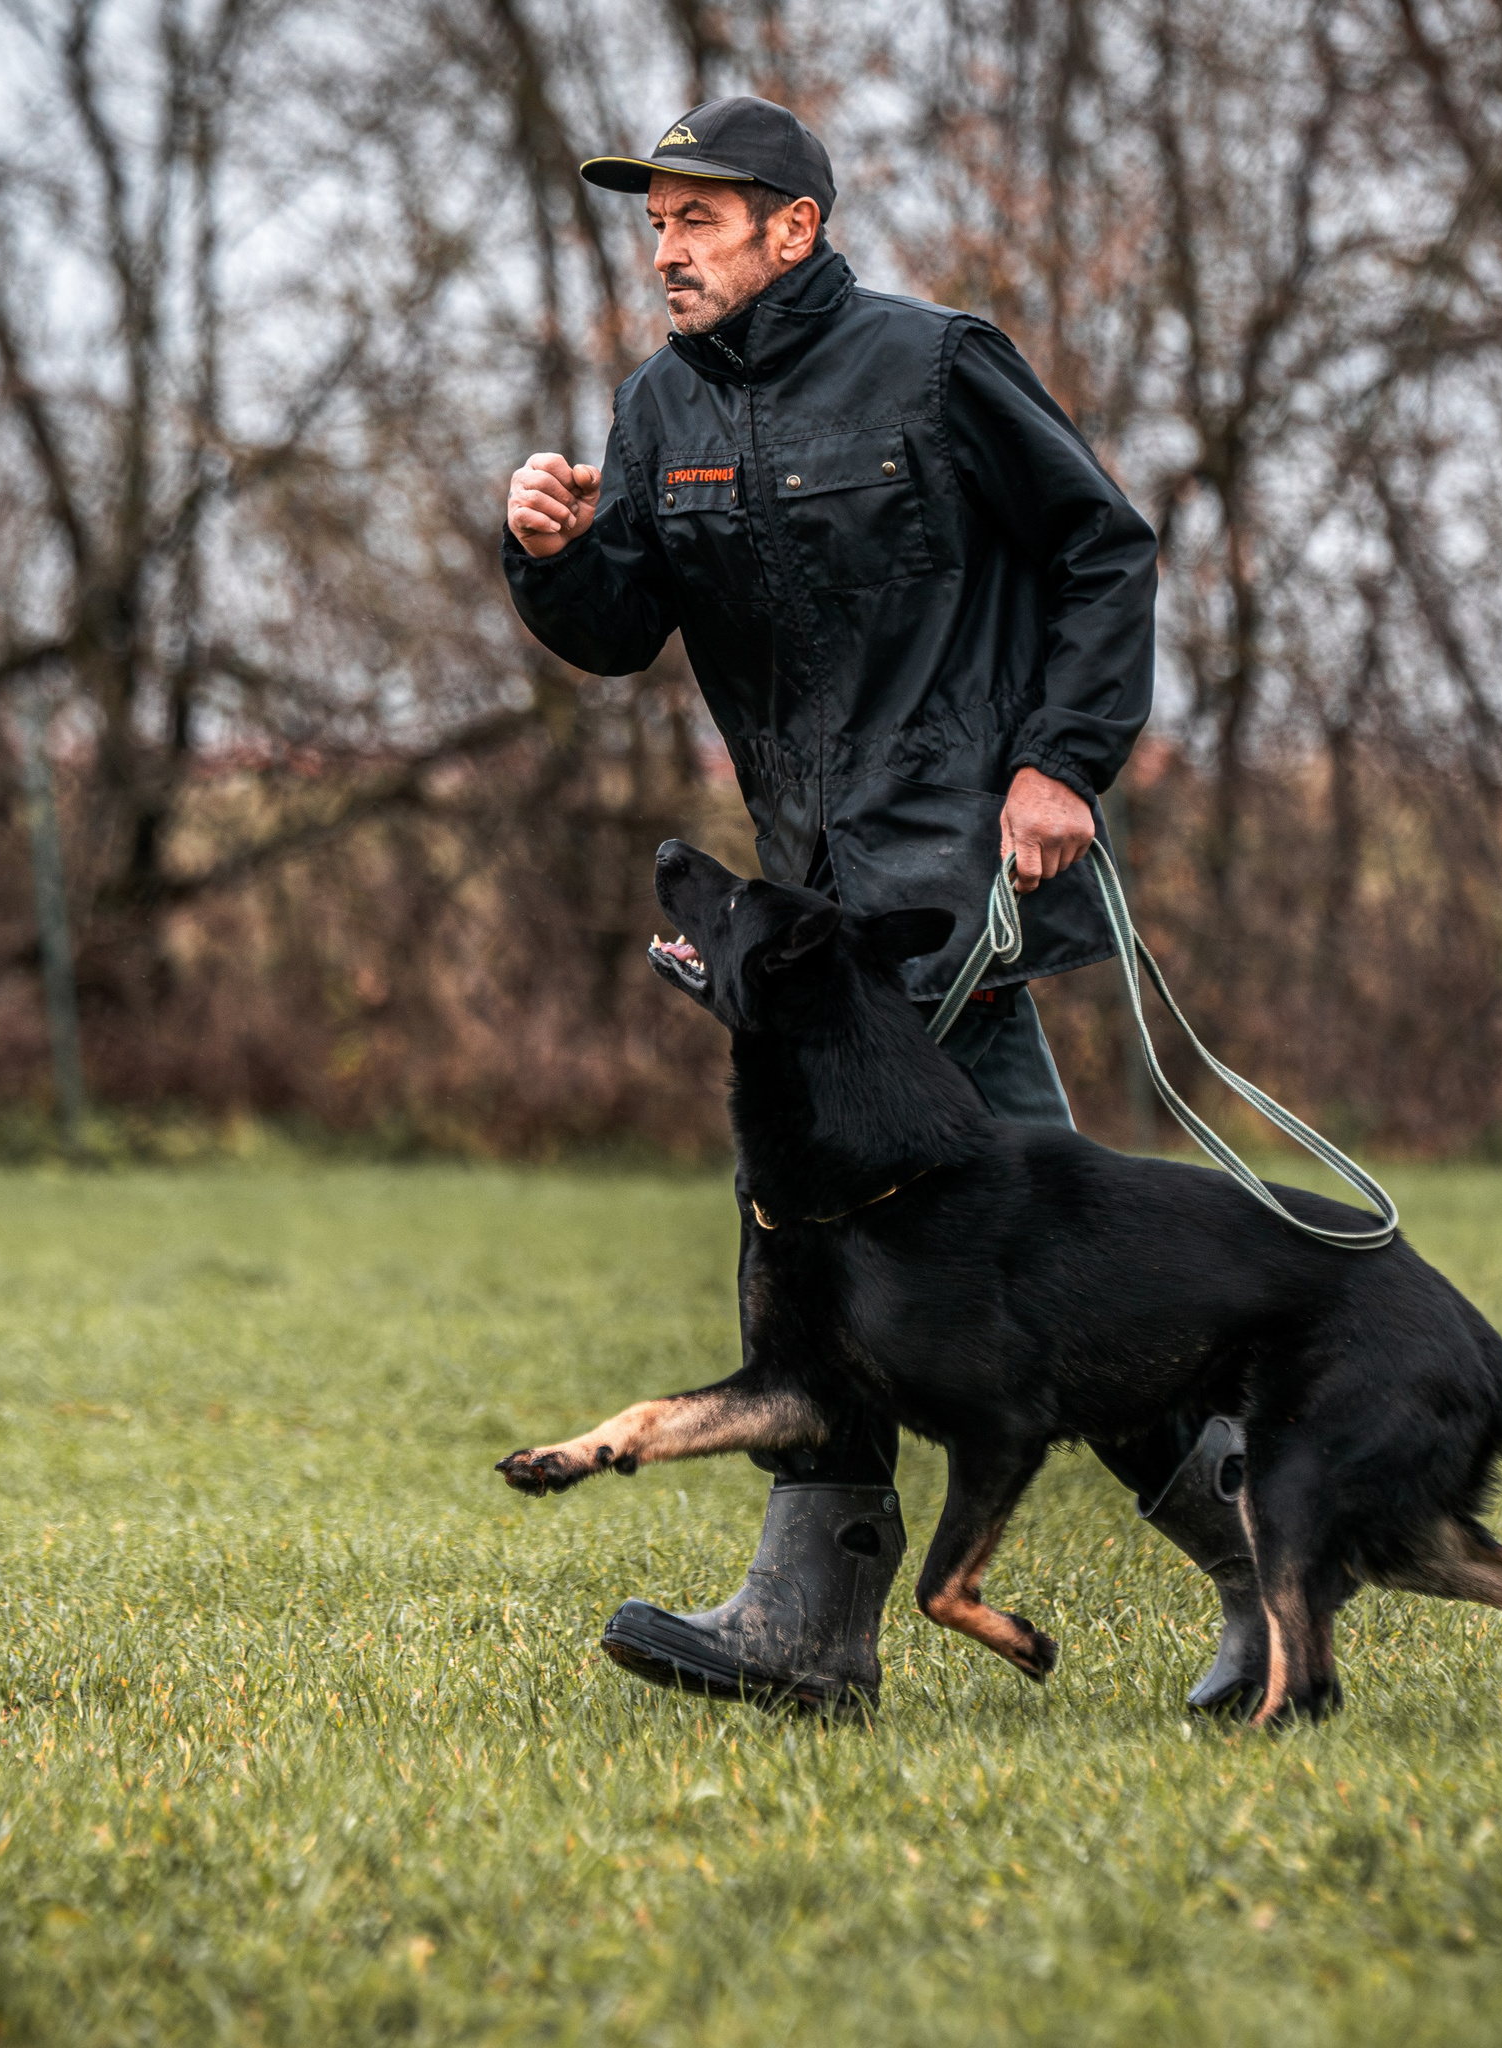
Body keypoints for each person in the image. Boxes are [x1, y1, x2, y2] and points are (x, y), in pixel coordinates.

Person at [502, 96, 1268, 1715]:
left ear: (796, 226)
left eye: (696, 219)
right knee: (908, 1255)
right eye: (653, 224)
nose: (664, 249)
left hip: (952, 897)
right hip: (813, 915)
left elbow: (1101, 550)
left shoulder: (935, 364)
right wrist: (557, 554)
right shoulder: (659, 406)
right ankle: (840, 1621)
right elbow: (624, 625)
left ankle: (840, 1624)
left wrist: (1065, 762)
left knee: (961, 1258)